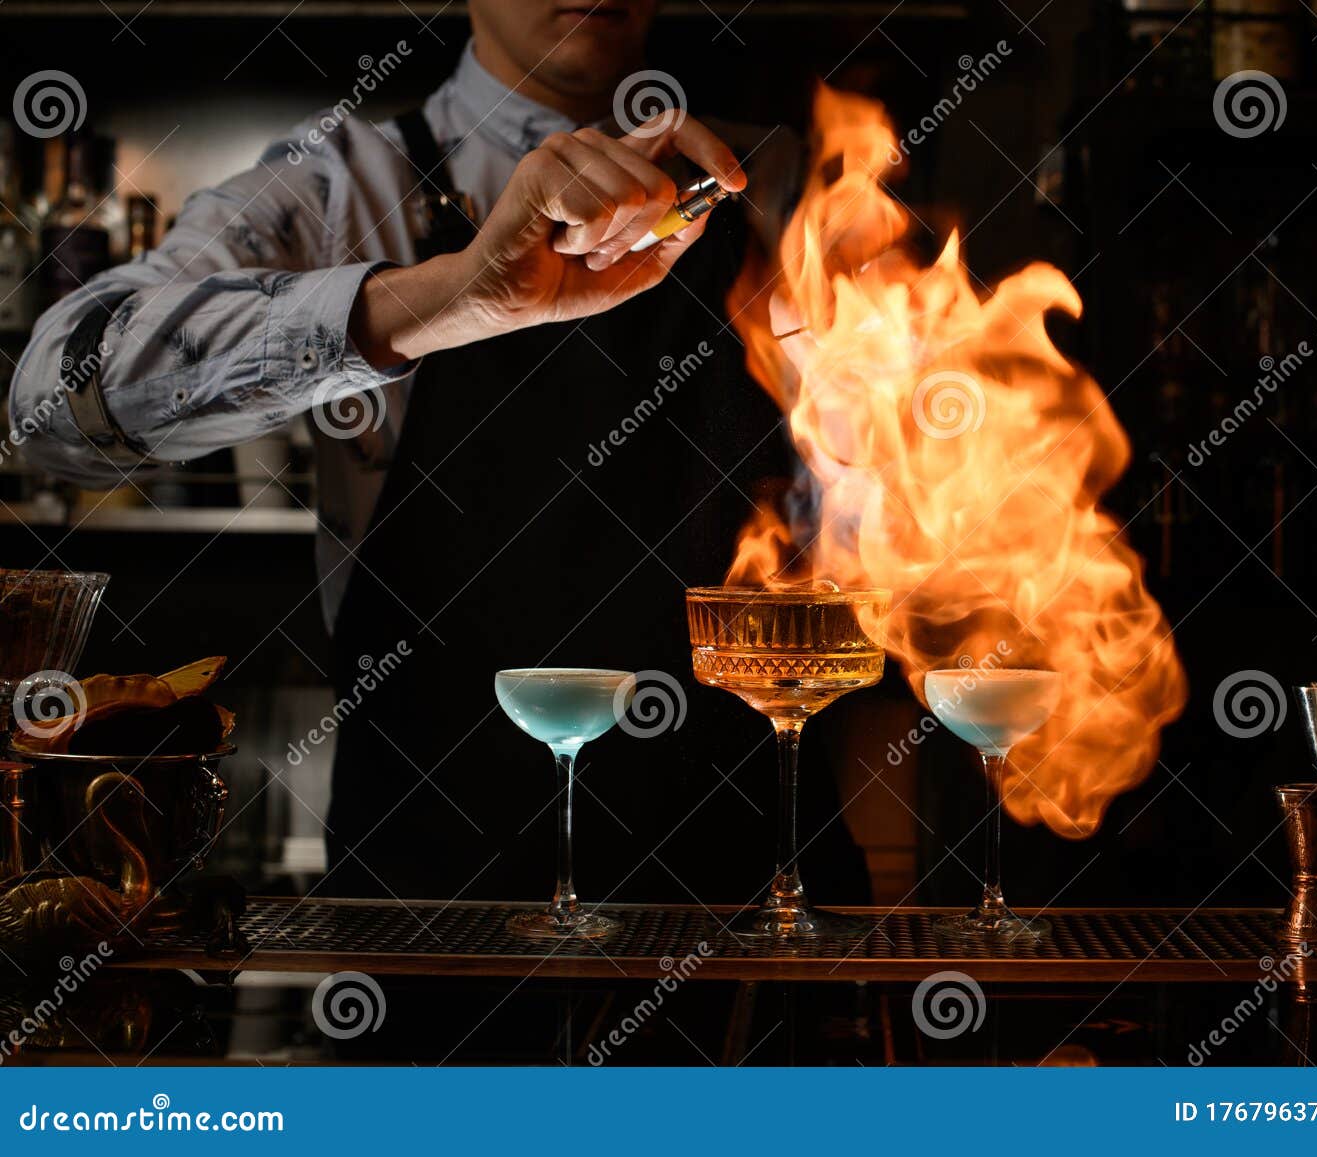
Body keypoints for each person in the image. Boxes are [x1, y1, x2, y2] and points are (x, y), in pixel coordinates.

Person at [10, 0, 870, 909]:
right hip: (433, 896)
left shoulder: (788, 181)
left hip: (753, 901)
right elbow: (54, 402)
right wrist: (459, 296)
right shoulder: (338, 183)